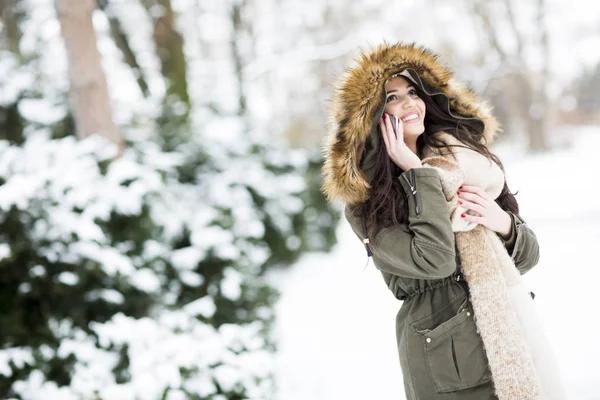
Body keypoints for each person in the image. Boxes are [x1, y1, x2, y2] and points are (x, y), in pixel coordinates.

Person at [321, 43, 551, 399]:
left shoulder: (463, 163)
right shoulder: (367, 199)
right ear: (372, 115)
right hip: (445, 354)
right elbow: (435, 259)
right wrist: (417, 174)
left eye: (413, 92)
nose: (409, 103)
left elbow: (527, 257)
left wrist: (503, 223)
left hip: (506, 330)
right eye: (393, 97)